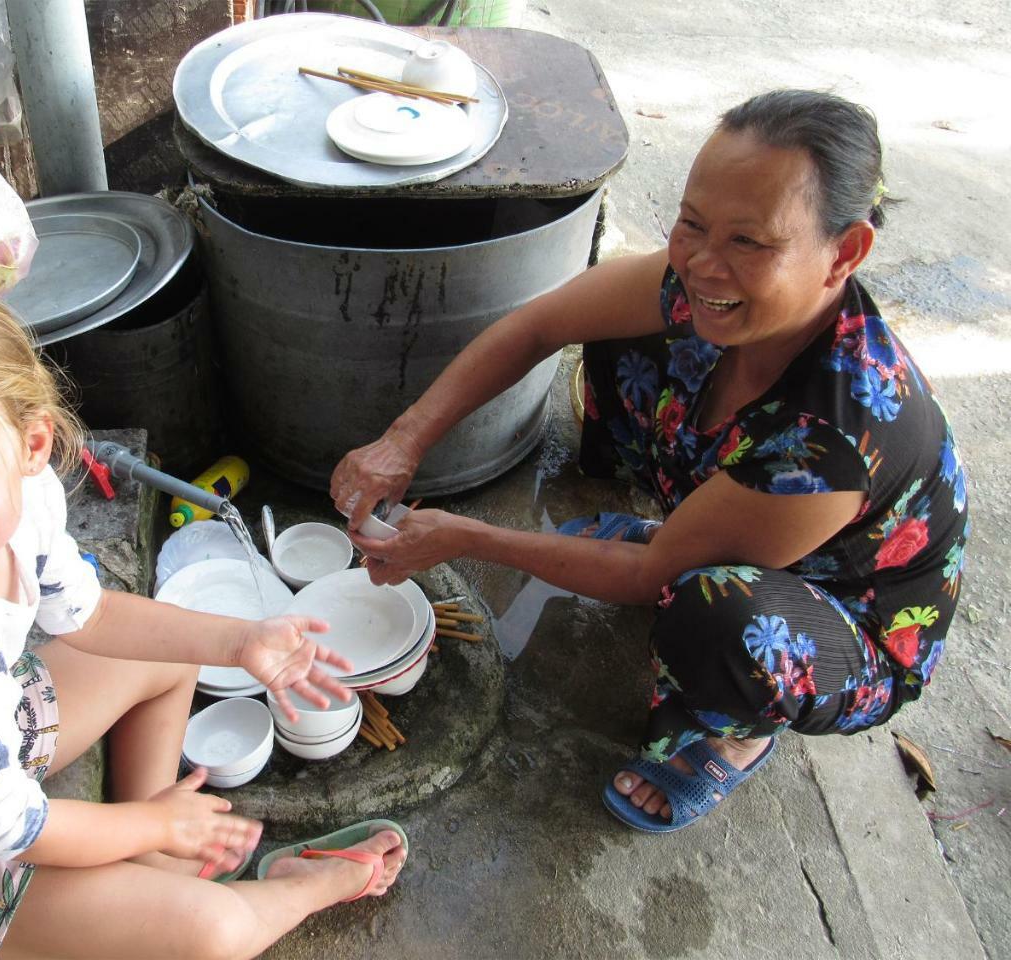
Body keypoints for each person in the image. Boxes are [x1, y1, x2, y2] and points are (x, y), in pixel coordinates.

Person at [331, 89, 968, 833]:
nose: (702, 263)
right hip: (750, 507)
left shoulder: (835, 438)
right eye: (692, 224)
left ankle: (738, 734)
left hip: (843, 615)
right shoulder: (702, 285)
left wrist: (462, 537)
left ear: (845, 253)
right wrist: (403, 439)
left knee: (714, 611)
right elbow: (542, 322)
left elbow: (644, 579)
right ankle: (697, 534)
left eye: (748, 243)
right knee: (622, 331)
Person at [0, 280, 408, 960]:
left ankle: (160, 869)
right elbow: (17, 832)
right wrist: (150, 822)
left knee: (172, 644)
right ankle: (291, 883)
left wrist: (241, 641)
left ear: (30, 446)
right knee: (216, 935)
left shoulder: (31, 499)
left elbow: (95, 613)